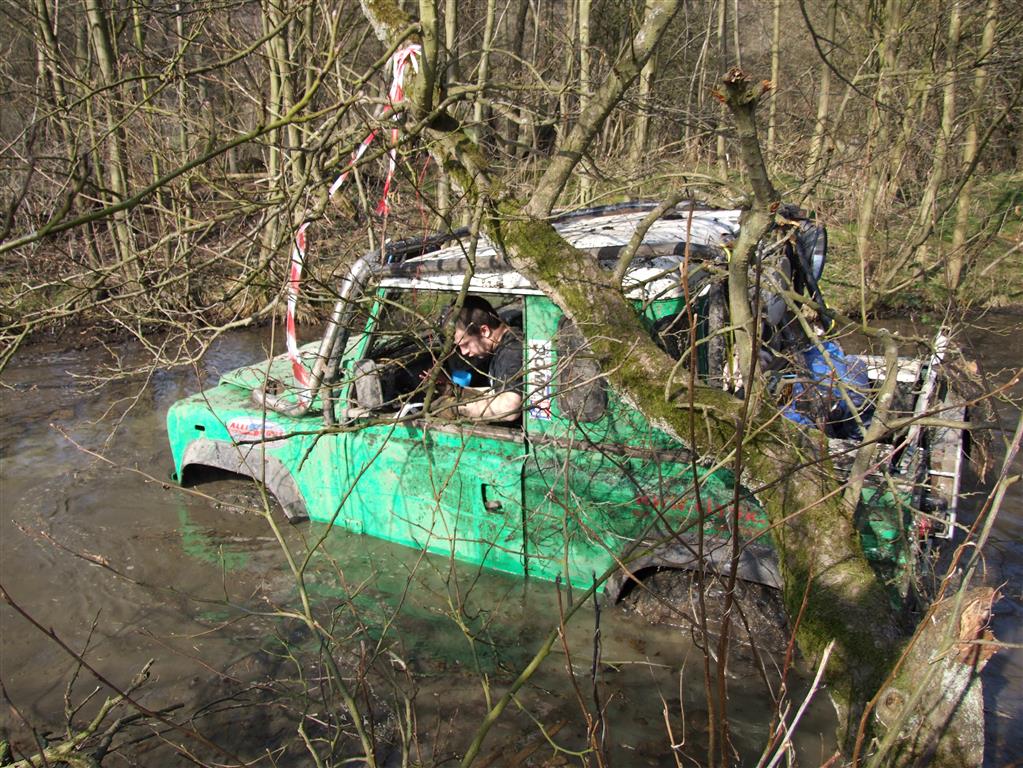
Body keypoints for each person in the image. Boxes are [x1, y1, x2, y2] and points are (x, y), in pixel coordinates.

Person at [442, 296, 523, 422]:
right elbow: (498, 393)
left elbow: (510, 407)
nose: (464, 352)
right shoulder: (503, 346)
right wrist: (458, 392)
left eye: (465, 344)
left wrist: (455, 408)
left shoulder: (512, 351)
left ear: (484, 331)